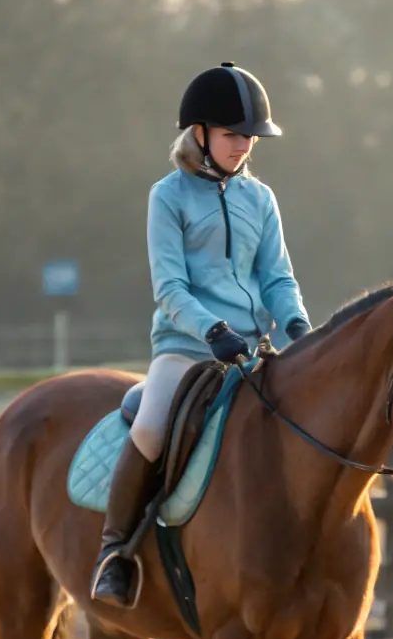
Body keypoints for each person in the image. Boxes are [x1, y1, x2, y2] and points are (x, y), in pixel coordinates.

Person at [90, 62, 312, 608]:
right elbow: (169, 286)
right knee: (150, 429)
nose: (243, 146)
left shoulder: (260, 199)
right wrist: (211, 330)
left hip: (252, 349)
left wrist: (299, 327)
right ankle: (115, 552)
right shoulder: (167, 196)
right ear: (200, 134)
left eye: (250, 137)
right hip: (187, 348)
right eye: (233, 134)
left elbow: (277, 276)